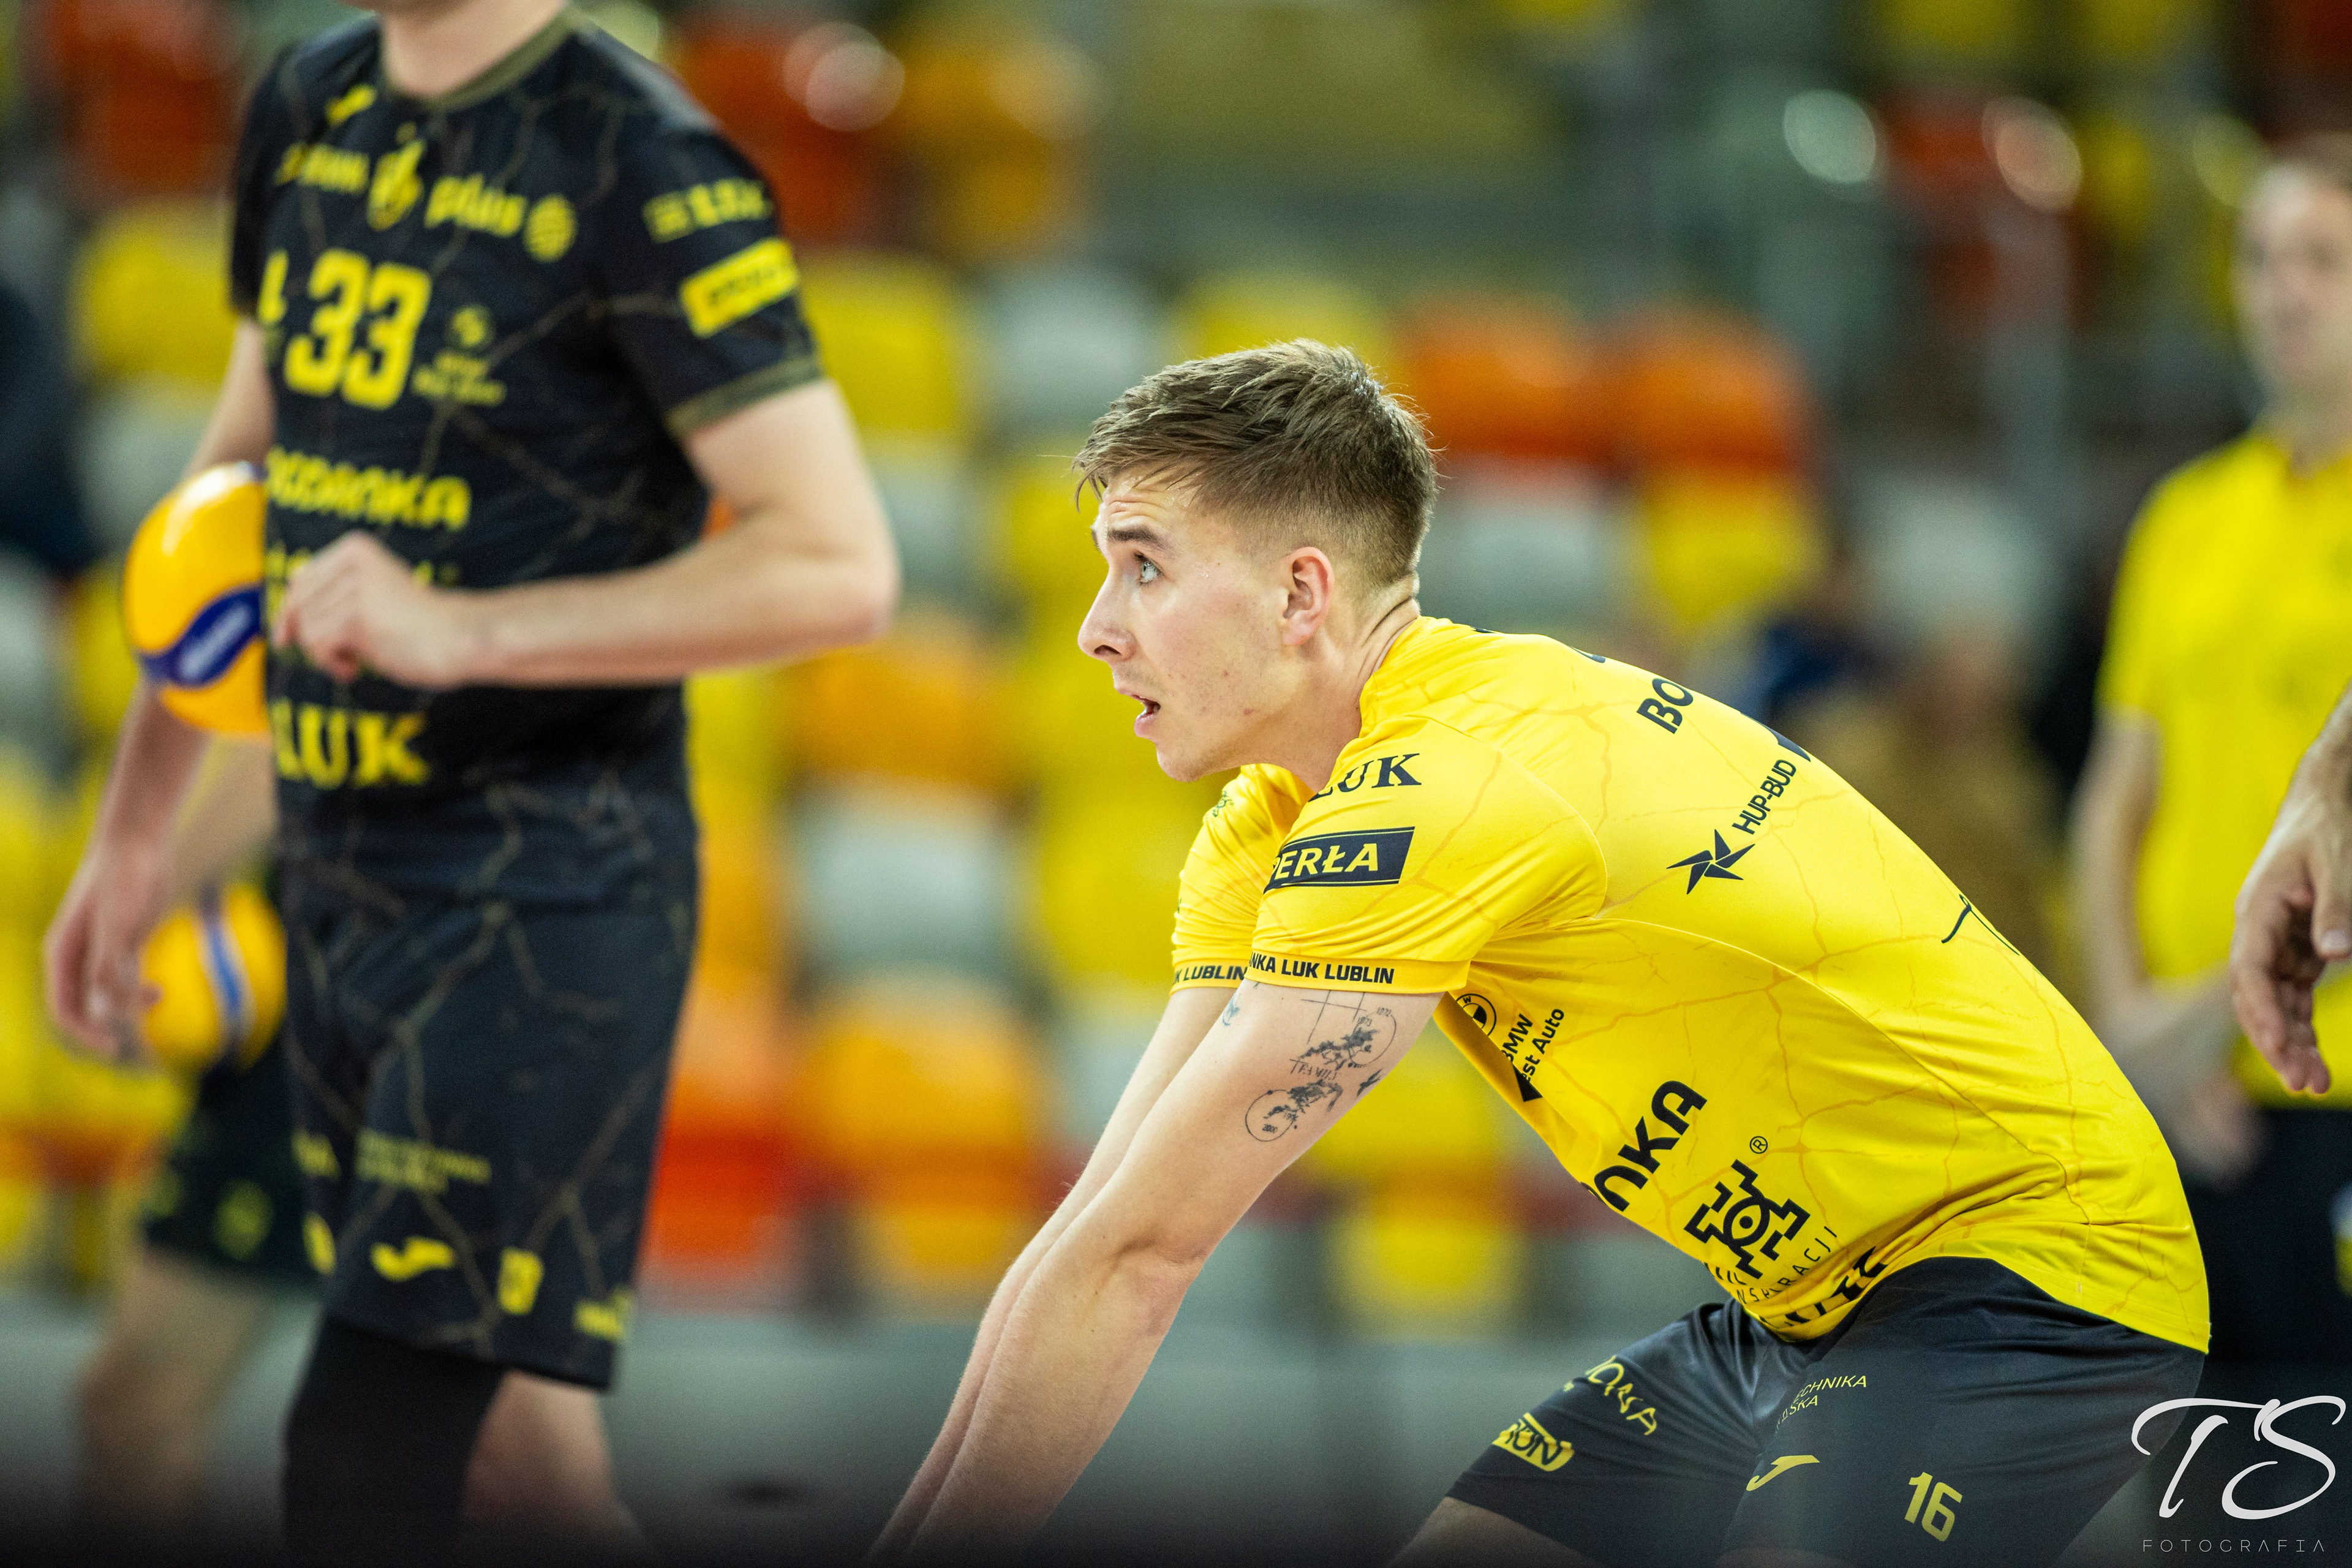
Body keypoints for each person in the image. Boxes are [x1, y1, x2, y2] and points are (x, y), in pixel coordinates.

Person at [875, 341, 2206, 1568]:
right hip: (1803, 1302)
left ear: (1301, 593)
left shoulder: (1437, 791)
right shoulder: (1278, 815)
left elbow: (1142, 1262)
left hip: (2031, 1266)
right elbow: (1099, 1232)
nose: (1096, 625)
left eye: (1145, 566)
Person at [42, 0, 899, 1559]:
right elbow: (234, 494)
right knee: (521, 1470)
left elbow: (839, 565)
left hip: (538, 896)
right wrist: (138, 824)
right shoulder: (312, 99)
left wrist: (465, 629)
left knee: (364, 1455)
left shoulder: (640, 155)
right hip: (334, 882)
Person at [2070, 135, 2352, 1382]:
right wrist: (2133, 1030)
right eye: (2261, 258)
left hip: (2331, 1088)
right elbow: (2115, 797)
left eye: (2323, 259)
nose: (2285, 289)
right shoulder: (2185, 517)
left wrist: (2203, 1019)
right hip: (2180, 1100)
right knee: (2198, 1462)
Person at [74, 740, 313, 1540]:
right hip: (353, 988)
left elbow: (287, 733)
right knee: (131, 1409)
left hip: (347, 1007)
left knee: (138, 1406)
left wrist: (131, 918)